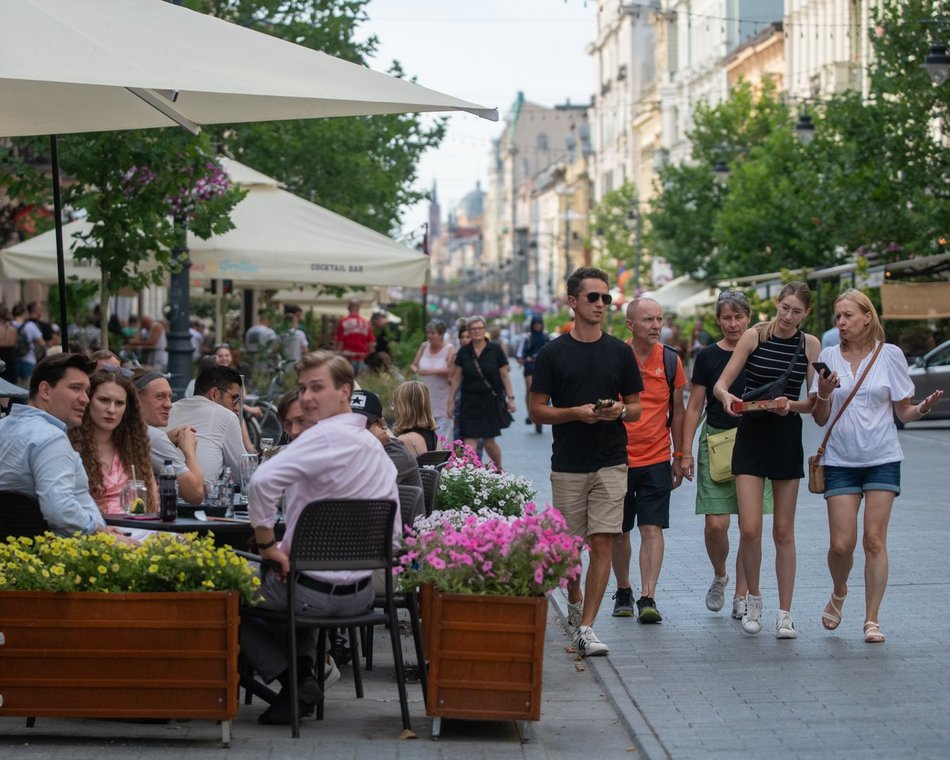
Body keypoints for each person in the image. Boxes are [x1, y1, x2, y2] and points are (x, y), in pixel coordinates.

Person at [243, 351, 399, 725]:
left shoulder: (326, 436)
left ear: (344, 391)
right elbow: (394, 539)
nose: (308, 397)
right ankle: (302, 681)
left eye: (317, 388)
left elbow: (261, 481)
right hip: (361, 595)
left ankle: (292, 678)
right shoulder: (371, 445)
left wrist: (267, 547)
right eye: (302, 388)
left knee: (219, 587)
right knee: (294, 575)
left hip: (310, 594)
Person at [810, 289, 943, 644]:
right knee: (841, 545)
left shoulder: (890, 355)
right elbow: (820, 418)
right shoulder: (827, 356)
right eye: (838, 316)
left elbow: (904, 411)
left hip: (882, 458)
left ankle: (871, 619)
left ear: (867, 317)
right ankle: (839, 591)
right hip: (840, 460)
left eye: (848, 316)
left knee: (873, 539)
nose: (841, 323)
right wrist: (823, 391)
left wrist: (922, 409)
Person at [529, 267, 643, 657]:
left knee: (603, 540)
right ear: (573, 302)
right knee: (567, 550)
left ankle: (589, 626)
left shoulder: (620, 352)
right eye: (592, 297)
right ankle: (574, 595)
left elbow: (637, 408)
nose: (600, 304)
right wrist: (575, 413)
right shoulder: (552, 353)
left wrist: (617, 412)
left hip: (612, 459)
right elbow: (537, 410)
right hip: (569, 463)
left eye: (605, 298)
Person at [712, 281, 821, 638]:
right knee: (749, 528)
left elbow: (815, 407)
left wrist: (794, 405)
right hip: (752, 436)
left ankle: (785, 613)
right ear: (776, 304)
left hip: (786, 436)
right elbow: (722, 384)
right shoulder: (754, 336)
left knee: (784, 531)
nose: (789, 316)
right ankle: (753, 599)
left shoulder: (810, 345)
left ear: (806, 314)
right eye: (785, 308)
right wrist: (728, 398)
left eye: (797, 311)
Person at [681, 292, 774, 620]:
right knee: (715, 525)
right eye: (726, 318)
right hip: (717, 443)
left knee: (750, 528)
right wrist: (685, 452)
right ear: (718, 320)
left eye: (738, 317)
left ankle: (742, 593)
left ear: (748, 318)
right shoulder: (707, 356)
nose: (733, 324)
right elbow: (694, 405)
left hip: (757, 443)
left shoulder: (764, 351)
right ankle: (721, 575)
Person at [611, 298, 687, 623]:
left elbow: (679, 411)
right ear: (630, 324)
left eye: (659, 319)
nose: (656, 325)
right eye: (648, 320)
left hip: (657, 457)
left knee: (651, 528)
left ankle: (648, 596)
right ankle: (624, 589)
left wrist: (680, 455)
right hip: (618, 459)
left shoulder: (670, 361)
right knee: (619, 531)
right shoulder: (615, 358)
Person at [0, 353, 107, 536]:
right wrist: (104, 534)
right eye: (75, 388)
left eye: (86, 391)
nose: (85, 399)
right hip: (61, 553)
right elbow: (60, 510)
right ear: (45, 391)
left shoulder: (4, 426)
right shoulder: (50, 438)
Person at [69, 368, 157, 515]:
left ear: (127, 409)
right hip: (91, 531)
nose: (111, 409)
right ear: (88, 400)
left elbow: (152, 502)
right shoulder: (70, 446)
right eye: (104, 400)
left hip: (137, 528)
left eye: (119, 403)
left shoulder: (135, 447)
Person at [448, 315, 515, 470]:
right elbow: (457, 378)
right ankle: (473, 474)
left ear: (485, 330)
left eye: (480, 328)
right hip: (469, 400)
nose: (477, 331)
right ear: (469, 332)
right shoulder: (464, 352)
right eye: (473, 329)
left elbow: (505, 375)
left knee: (488, 441)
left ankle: (499, 469)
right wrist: (450, 401)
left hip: (490, 401)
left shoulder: (495, 350)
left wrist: (511, 398)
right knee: (469, 441)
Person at [166, 364, 246, 494]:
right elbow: (242, 474)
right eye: (234, 398)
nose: (237, 407)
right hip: (199, 501)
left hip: (161, 494)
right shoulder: (227, 416)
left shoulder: (168, 410)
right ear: (214, 394)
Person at [351, 388, 425, 525]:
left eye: (363, 424)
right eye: (350, 423)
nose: (354, 430)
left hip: (402, 537)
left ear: (380, 424)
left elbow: (362, 490)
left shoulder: (396, 453)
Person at [133, 367, 205, 505]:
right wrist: (189, 450)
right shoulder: (153, 436)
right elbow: (196, 493)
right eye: (159, 397)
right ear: (136, 399)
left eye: (169, 397)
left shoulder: (138, 432)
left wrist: (166, 439)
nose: (169, 405)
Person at [410, 319, 455, 442]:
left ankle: (442, 459)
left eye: (433, 333)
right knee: (424, 436)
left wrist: (432, 371)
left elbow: (453, 371)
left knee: (441, 438)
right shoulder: (424, 346)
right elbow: (414, 364)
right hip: (424, 396)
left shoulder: (450, 349)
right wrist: (416, 370)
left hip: (442, 397)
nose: (430, 336)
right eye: (428, 333)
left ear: (441, 334)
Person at [391, 380, 442, 457]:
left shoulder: (403, 441)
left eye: (395, 404)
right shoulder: (434, 438)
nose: (393, 408)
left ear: (404, 408)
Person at [518, 315, 549, 429]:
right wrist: (526, 359)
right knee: (530, 388)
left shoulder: (546, 337)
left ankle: (542, 410)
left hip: (544, 368)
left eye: (539, 324)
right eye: (535, 324)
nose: (537, 326)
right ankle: (530, 413)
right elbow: (520, 355)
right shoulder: (527, 338)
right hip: (530, 367)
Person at [334, 300, 375, 373]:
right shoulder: (366, 323)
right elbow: (371, 344)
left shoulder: (343, 322)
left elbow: (340, 343)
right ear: (359, 308)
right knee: (360, 382)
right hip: (362, 357)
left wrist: (336, 356)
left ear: (348, 308)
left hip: (347, 357)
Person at [15, 301, 47, 387]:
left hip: (18, 359)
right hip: (29, 361)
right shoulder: (32, 326)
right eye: (40, 309)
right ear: (36, 311)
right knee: (27, 389)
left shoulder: (23, 324)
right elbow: (42, 344)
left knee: (18, 388)